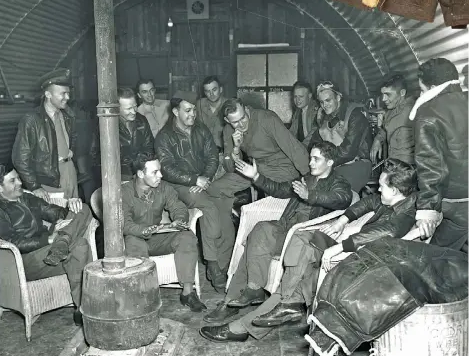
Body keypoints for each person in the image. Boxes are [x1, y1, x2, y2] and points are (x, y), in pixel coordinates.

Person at [200, 158, 418, 343]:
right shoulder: (389, 200)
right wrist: (343, 220)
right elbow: (366, 202)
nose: (377, 188)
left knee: (297, 280)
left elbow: (375, 234)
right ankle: (275, 303)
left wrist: (339, 247)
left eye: (382, 185)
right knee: (299, 240)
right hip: (344, 248)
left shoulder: (403, 217)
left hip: (355, 262)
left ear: (396, 190)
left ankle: (246, 325)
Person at [200, 142, 352, 335]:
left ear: (330, 162)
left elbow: (343, 198)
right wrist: (255, 176)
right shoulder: (307, 178)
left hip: (304, 236)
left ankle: (241, 323)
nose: (311, 162)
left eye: (316, 159)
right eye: (310, 157)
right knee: (259, 232)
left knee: (265, 260)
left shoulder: (339, 182)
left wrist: (310, 195)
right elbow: (280, 189)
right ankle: (249, 291)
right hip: (286, 229)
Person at [306, 237, 468, 356]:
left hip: (414, 262)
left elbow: (385, 230)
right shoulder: (386, 205)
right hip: (400, 254)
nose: (379, 190)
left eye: (383, 188)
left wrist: (343, 244)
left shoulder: (402, 209)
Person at [0, 163, 93, 325]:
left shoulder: (26, 197)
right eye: (13, 181)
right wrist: (47, 240)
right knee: (80, 246)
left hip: (52, 248)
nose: (20, 183)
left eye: (19, 178)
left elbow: (54, 211)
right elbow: (14, 243)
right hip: (26, 260)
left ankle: (63, 241)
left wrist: (70, 208)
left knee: (82, 208)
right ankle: (85, 307)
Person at [155, 90, 235, 292]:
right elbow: (166, 168)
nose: (193, 114)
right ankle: (213, 265)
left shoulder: (201, 130)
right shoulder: (164, 136)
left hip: (202, 182)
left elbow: (212, 157)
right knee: (208, 207)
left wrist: (205, 178)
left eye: (194, 110)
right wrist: (193, 179)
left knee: (224, 207)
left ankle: (223, 262)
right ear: (175, 111)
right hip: (179, 185)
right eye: (188, 110)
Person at [121, 154, 206, 312]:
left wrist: (179, 221)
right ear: (140, 174)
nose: (160, 175)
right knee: (133, 242)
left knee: (187, 237)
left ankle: (188, 292)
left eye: (159, 170)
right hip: (136, 238)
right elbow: (124, 224)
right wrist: (144, 230)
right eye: (154, 172)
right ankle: (143, 296)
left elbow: (178, 207)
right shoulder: (124, 192)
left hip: (158, 238)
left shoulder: (164, 187)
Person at [206, 98, 310, 213]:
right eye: (235, 122)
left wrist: (310, 177)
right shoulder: (228, 131)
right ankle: (227, 228)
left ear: (246, 109)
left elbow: (294, 148)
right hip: (253, 169)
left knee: (271, 205)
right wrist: (236, 148)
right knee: (215, 189)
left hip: (281, 168)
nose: (241, 124)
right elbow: (229, 168)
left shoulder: (266, 119)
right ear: (227, 120)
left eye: (243, 117)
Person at [410, 58, 468, 250]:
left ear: (434, 87)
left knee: (437, 255)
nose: (421, 94)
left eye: (422, 89)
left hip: (456, 202)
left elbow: (430, 164)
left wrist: (426, 210)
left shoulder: (428, 112)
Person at [12, 68, 80, 201]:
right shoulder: (31, 120)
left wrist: (69, 150)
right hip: (49, 178)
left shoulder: (68, 115)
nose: (68, 97)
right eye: (63, 93)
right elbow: (20, 158)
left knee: (74, 211)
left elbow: (73, 137)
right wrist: (34, 186)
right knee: (58, 217)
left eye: (68, 93)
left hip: (69, 170)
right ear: (48, 94)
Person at [310, 81, 373, 192]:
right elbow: (313, 144)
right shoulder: (324, 118)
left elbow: (347, 152)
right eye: (321, 102)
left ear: (338, 98)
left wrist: (324, 163)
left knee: (335, 192)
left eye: (328, 100)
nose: (324, 105)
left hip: (357, 165)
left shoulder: (354, 116)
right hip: (333, 165)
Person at [91, 87, 154, 181]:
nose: (133, 112)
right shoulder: (106, 125)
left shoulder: (142, 120)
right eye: (128, 109)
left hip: (140, 171)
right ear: (117, 109)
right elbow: (97, 156)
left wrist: (138, 168)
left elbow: (149, 148)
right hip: (116, 175)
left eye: (135, 106)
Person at [370, 74, 415, 165]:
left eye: (388, 94)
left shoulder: (412, 112)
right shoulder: (392, 108)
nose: (383, 99)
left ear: (402, 93)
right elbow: (387, 126)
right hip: (394, 164)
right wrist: (378, 139)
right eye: (382, 94)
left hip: (405, 168)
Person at [288, 81, 319, 145]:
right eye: (295, 97)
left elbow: (315, 132)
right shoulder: (297, 112)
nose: (297, 100)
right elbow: (292, 132)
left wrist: (303, 146)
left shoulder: (316, 109)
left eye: (301, 96)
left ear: (309, 96)